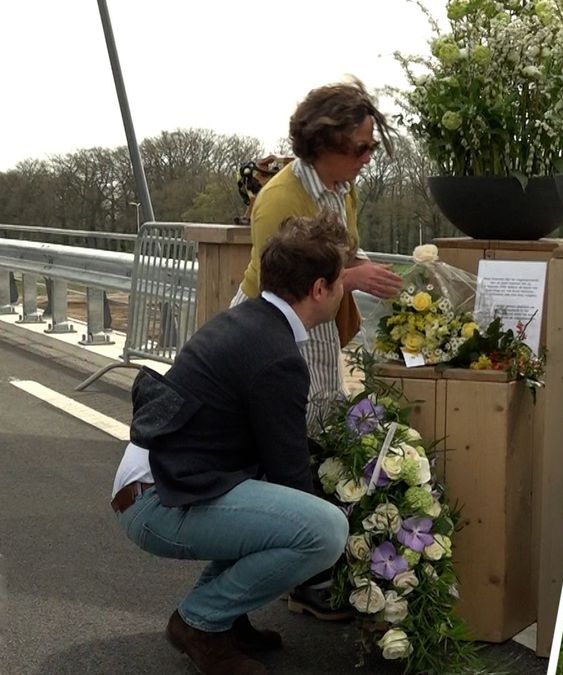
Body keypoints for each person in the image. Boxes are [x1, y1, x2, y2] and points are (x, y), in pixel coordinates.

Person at [111, 214, 352, 675]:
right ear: (320, 289)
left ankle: (223, 618)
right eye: (341, 280)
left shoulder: (247, 320)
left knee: (277, 506)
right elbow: (290, 476)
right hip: (157, 501)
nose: (343, 290)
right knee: (325, 532)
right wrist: (344, 559)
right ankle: (200, 623)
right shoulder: (277, 356)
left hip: (157, 482)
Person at [235, 77, 404, 431]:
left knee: (322, 420)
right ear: (326, 144)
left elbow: (344, 252)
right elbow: (282, 291)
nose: (369, 158)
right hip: (276, 330)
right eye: (361, 148)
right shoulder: (280, 199)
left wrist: (370, 269)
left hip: (320, 319)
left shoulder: (344, 189)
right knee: (290, 423)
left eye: (371, 146)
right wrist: (354, 277)